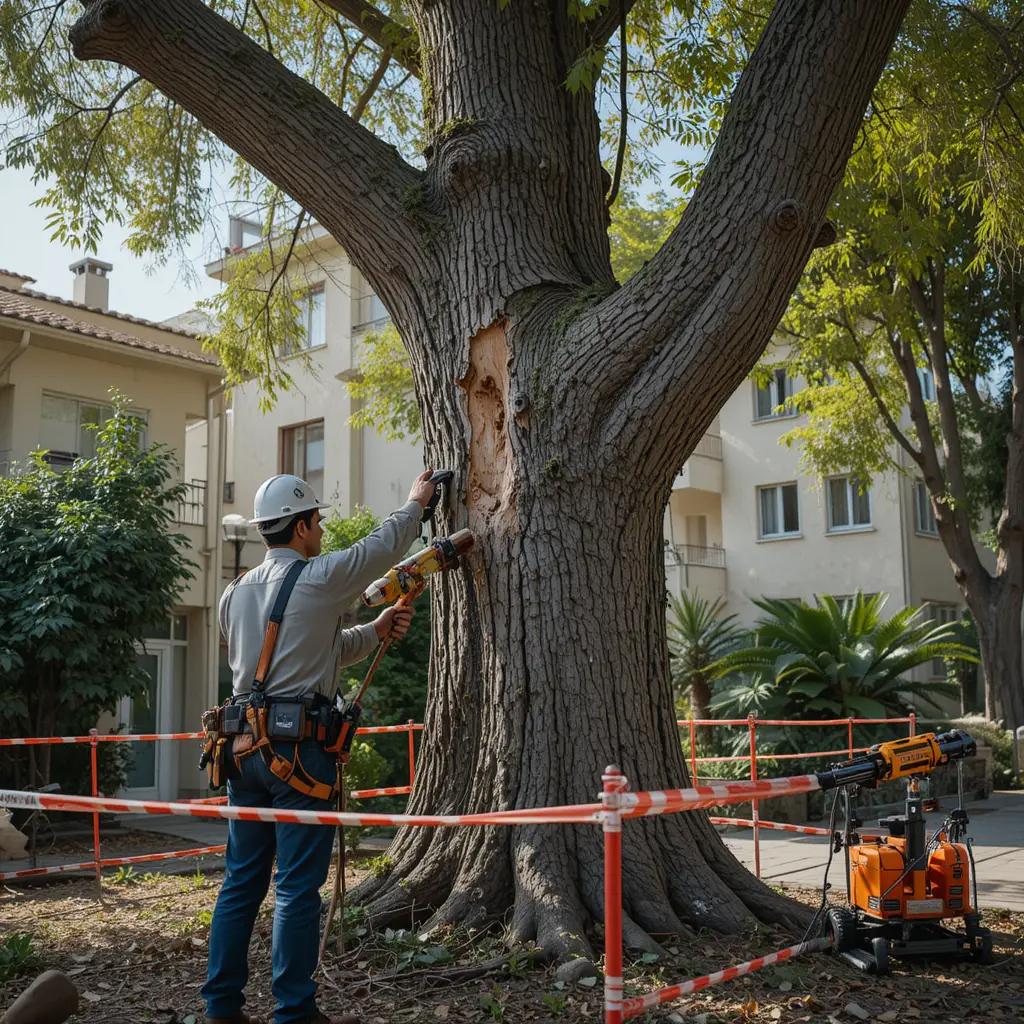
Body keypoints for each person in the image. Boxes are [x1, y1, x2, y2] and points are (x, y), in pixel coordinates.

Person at [203, 469, 437, 1024]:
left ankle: (220, 1005)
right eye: (318, 523)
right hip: (298, 756)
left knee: (241, 881)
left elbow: (307, 655)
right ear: (303, 525)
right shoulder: (318, 577)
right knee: (296, 888)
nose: (322, 533)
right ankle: (293, 1010)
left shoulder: (232, 595)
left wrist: (374, 632)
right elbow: (379, 549)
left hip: (242, 753)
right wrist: (415, 504)